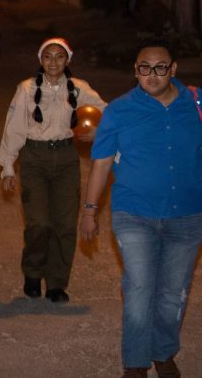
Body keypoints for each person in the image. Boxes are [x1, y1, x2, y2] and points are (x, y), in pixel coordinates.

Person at [80, 38, 202, 378]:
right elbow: (102, 164)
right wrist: (89, 211)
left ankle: (163, 352)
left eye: (160, 68)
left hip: (188, 215)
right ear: (136, 72)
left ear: (173, 70)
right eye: (144, 68)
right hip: (134, 214)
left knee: (173, 293)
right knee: (139, 288)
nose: (152, 75)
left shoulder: (195, 103)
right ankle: (135, 363)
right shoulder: (119, 111)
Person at [0, 38, 106, 303]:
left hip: (67, 158)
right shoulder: (26, 89)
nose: (54, 62)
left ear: (67, 60)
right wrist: (8, 167)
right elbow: (14, 128)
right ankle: (33, 273)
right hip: (35, 158)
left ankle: (57, 283)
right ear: (40, 60)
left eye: (59, 56)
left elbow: (109, 112)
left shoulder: (79, 88)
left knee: (65, 225)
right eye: (48, 56)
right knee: (38, 224)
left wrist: (96, 131)